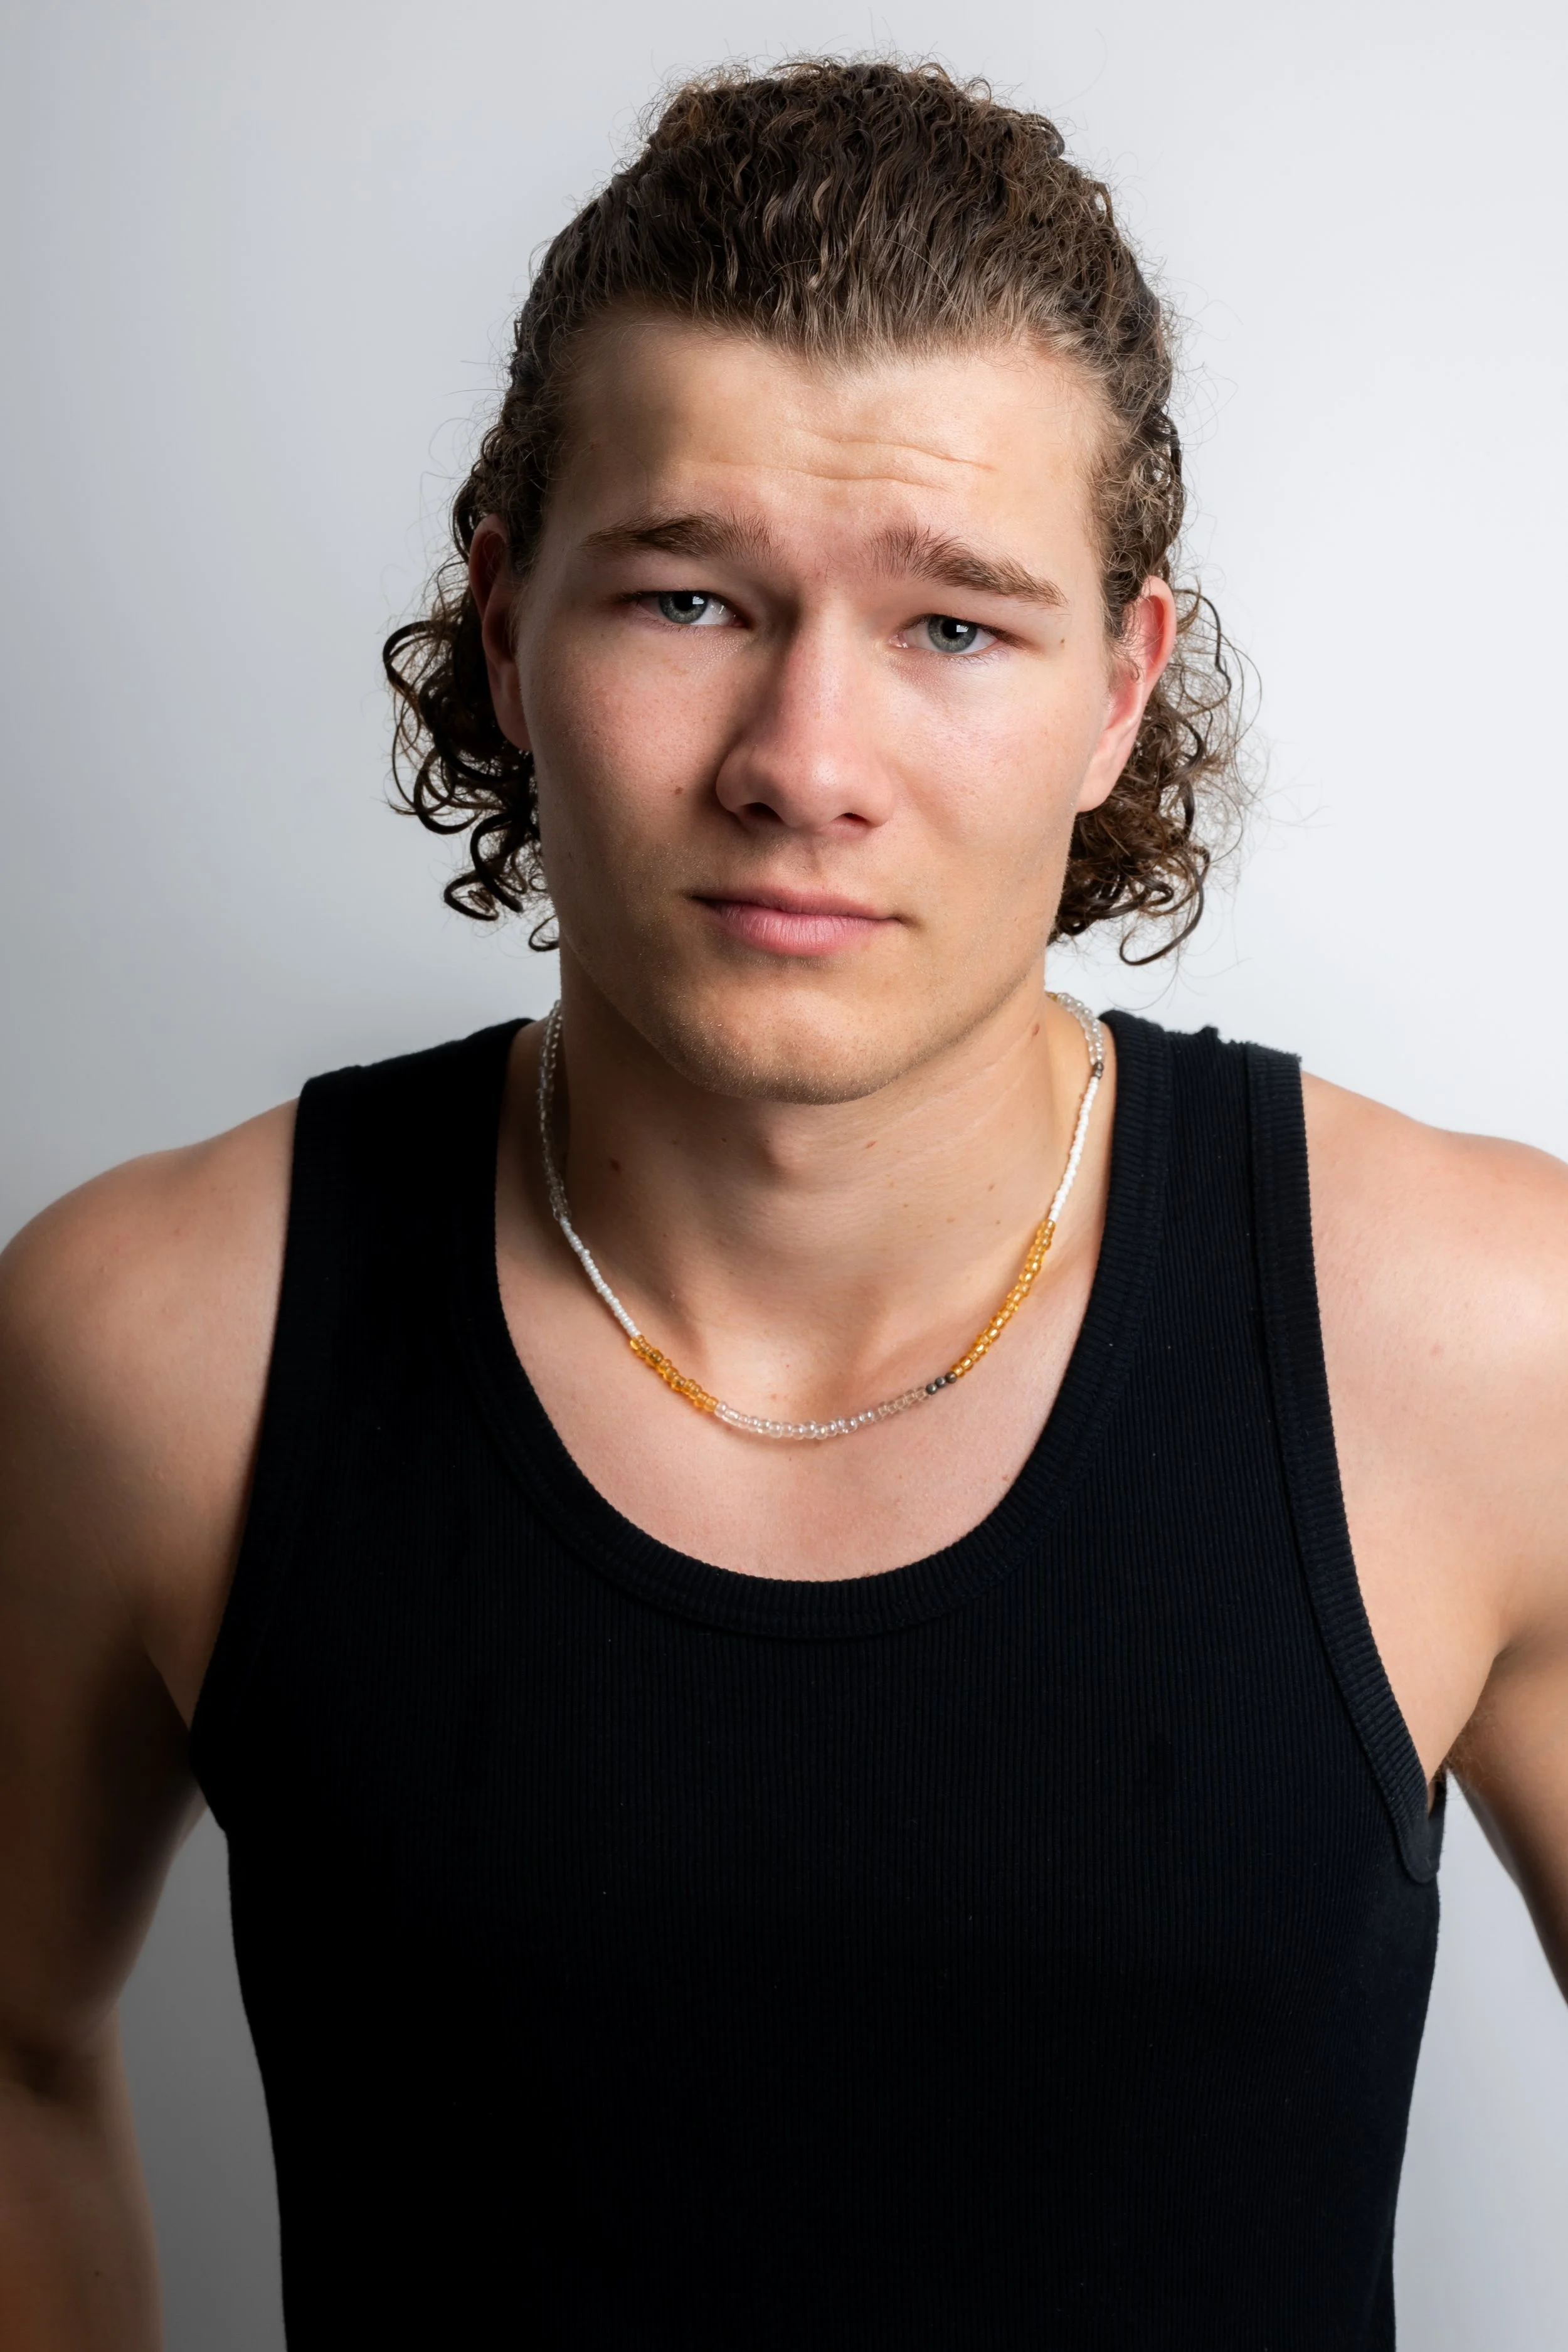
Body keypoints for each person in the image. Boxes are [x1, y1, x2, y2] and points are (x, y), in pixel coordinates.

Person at [1, 56, 1564, 2351]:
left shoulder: (1485, 1336)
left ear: (1119, 687)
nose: (803, 765)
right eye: (688, 598)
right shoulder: (152, 1337)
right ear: (507, 623)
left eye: (954, 627)